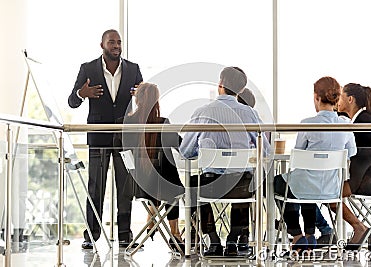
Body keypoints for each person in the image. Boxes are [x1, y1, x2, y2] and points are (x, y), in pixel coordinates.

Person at [180, 66, 271, 256]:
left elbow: (186, 152)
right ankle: (234, 239)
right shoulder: (250, 114)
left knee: (192, 185)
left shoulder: (202, 112)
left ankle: (213, 240)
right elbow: (266, 151)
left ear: (220, 84)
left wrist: (203, 150)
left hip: (210, 186)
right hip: (241, 186)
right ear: (240, 90)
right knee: (247, 180)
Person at [68, 29, 143, 249]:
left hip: (124, 139)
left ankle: (124, 235)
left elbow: (144, 100)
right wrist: (83, 93)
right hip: (98, 138)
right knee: (95, 188)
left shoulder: (134, 69)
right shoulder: (88, 68)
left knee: (125, 189)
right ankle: (91, 236)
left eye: (119, 42)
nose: (116, 45)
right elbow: (72, 101)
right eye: (112, 42)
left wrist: (139, 97)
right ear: (102, 45)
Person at [274, 76, 357, 254]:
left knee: (278, 183)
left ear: (316, 97)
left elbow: (298, 154)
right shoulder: (345, 124)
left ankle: (297, 235)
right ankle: (310, 235)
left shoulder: (307, 123)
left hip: (306, 186)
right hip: (332, 189)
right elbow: (351, 153)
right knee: (305, 182)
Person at [315, 82, 371, 250]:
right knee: (328, 191)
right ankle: (355, 228)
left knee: (328, 193)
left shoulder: (363, 120)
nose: (337, 101)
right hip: (367, 178)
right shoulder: (359, 119)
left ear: (349, 99)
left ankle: (358, 227)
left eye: (339, 97)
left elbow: (350, 149)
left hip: (370, 181)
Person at [115, 83, 185, 252]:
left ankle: (152, 214)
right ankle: (174, 234)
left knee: (161, 171)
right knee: (170, 175)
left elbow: (120, 153)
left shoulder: (123, 123)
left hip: (136, 186)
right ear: (157, 102)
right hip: (165, 189)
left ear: (136, 99)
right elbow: (182, 147)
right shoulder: (163, 124)